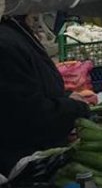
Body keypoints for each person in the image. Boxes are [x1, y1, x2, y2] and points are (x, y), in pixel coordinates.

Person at [0, 15, 91, 176]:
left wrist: (66, 98)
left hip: (38, 156)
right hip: (24, 164)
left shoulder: (13, 28)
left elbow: (32, 90)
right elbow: (28, 116)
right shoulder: (5, 43)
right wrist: (74, 109)